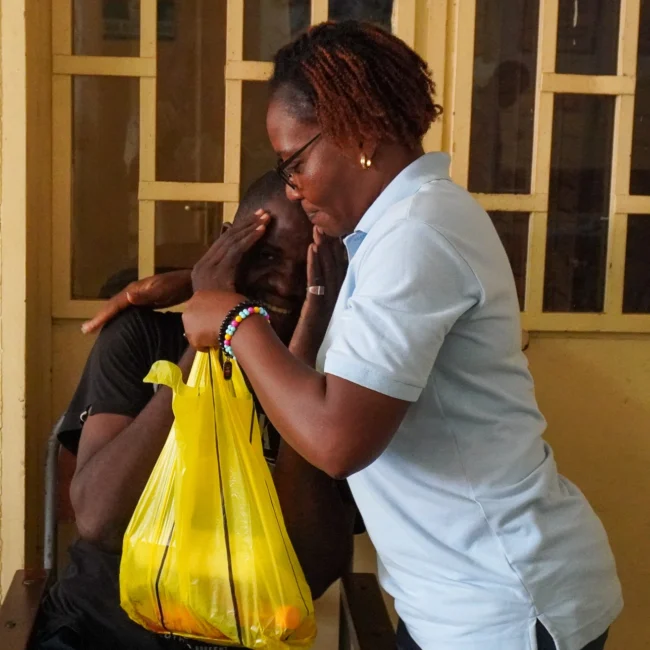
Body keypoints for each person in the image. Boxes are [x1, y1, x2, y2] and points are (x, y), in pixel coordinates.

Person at [174, 21, 622, 650]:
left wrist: (233, 322)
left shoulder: (417, 235)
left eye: (295, 163)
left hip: (500, 605)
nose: (293, 189)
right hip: (454, 596)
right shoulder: (400, 228)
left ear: (359, 132)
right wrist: (183, 285)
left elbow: (337, 441)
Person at [34, 172, 355, 650]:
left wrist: (300, 360)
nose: (287, 283)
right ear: (225, 248)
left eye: (309, 267)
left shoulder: (340, 377)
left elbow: (312, 572)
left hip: (243, 636)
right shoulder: (144, 338)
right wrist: (204, 341)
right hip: (101, 631)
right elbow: (100, 520)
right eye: (267, 256)